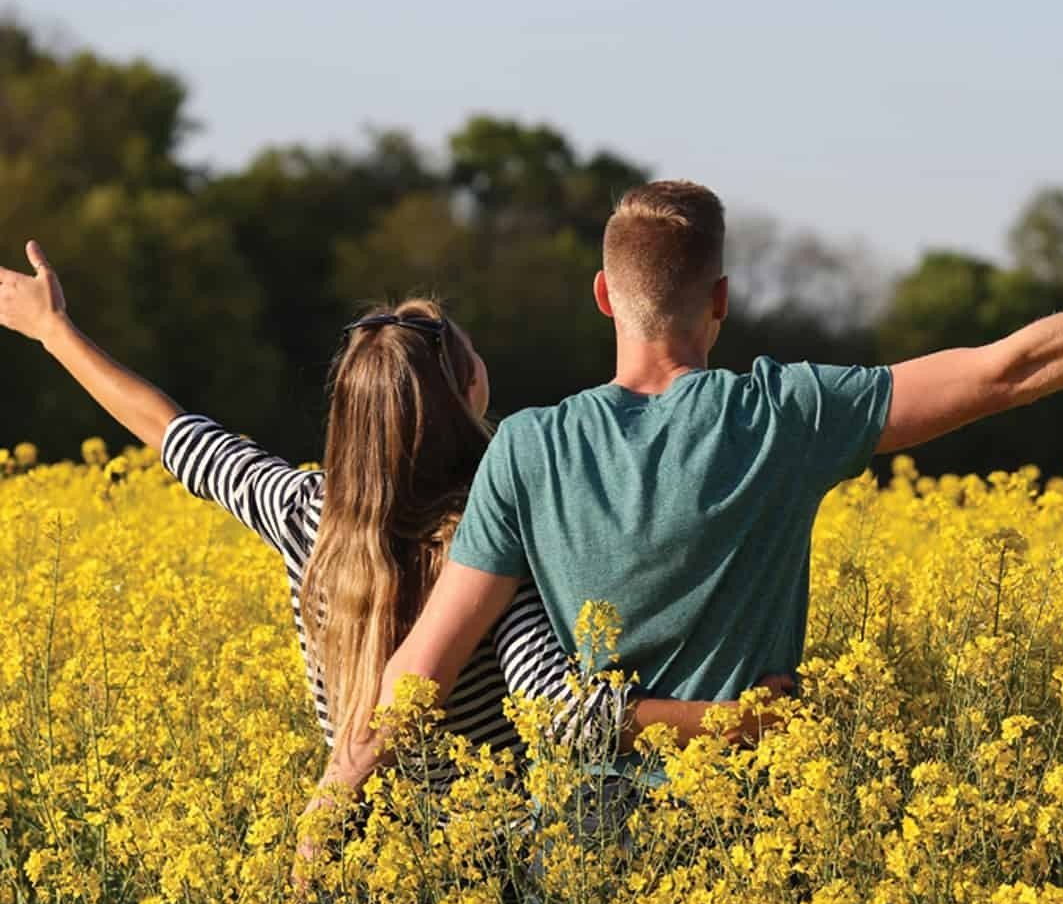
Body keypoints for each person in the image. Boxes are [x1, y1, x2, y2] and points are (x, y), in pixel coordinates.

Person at [305, 178, 1063, 800]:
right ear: (721, 298)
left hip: (575, 868)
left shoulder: (527, 448)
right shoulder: (788, 414)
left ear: (604, 296)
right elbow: (1012, 370)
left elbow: (418, 674)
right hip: (738, 837)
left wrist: (323, 817)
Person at [0, 242, 746, 785]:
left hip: (352, 853)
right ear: (468, 394)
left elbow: (172, 432)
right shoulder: (490, 545)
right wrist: (739, 722)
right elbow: (558, 710)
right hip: (486, 890)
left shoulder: (302, 514)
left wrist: (54, 331)